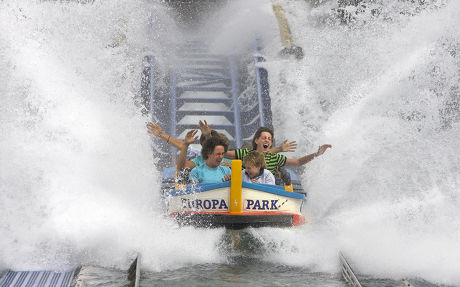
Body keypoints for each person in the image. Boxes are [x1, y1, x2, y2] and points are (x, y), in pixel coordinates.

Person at [225, 127, 332, 177]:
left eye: (269, 139)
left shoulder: (275, 158)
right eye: (264, 138)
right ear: (256, 140)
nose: (267, 140)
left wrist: (316, 154)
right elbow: (223, 153)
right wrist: (208, 136)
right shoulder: (245, 154)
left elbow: (298, 162)